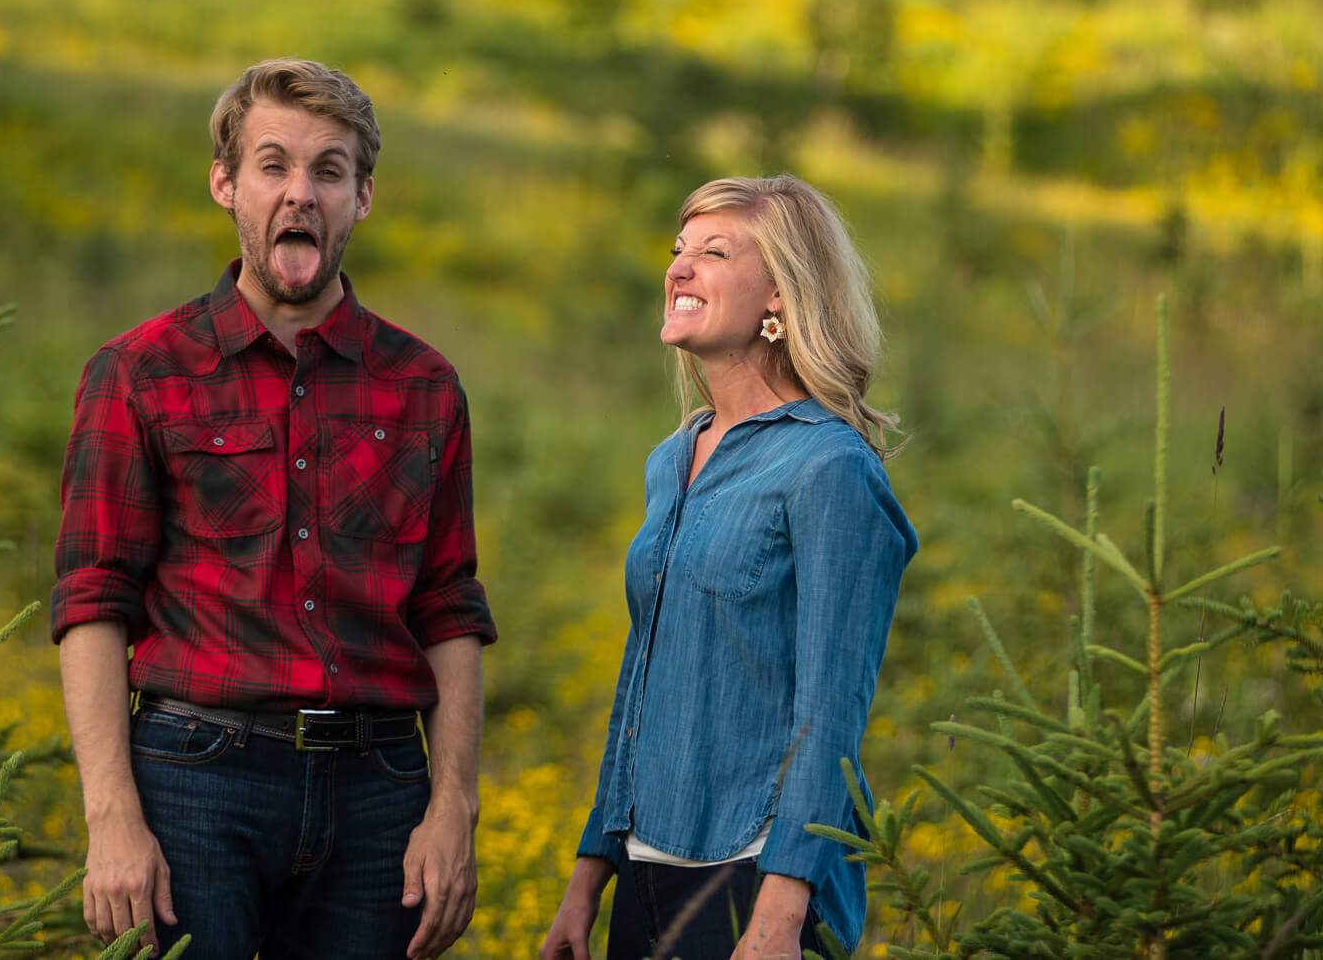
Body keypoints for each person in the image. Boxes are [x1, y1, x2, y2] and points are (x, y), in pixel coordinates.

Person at [50, 57, 497, 960]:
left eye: (329, 171)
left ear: (362, 197)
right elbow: (94, 598)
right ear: (226, 183)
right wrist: (112, 818)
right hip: (195, 782)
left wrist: (454, 809)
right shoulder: (139, 373)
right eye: (273, 165)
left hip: (381, 794)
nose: (302, 193)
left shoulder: (424, 386)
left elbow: (449, 603)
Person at [541, 175, 917, 960]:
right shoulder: (670, 460)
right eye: (679, 250)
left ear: (781, 294)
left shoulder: (830, 468)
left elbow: (831, 714)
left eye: (714, 253)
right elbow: (638, 682)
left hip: (752, 877)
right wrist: (587, 881)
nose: (679, 268)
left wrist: (778, 917)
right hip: (645, 869)